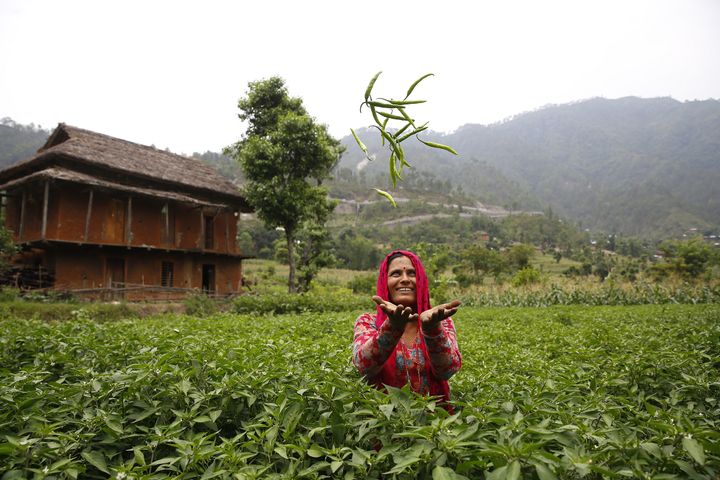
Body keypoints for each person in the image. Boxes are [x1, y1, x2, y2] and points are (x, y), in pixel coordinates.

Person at [352, 250, 462, 404]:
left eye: (412, 273)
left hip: (434, 422)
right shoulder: (368, 322)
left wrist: (432, 329)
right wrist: (393, 326)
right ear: (385, 281)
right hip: (383, 421)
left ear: (421, 281)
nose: (405, 279)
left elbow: (447, 371)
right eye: (396, 274)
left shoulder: (441, 322)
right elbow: (364, 367)